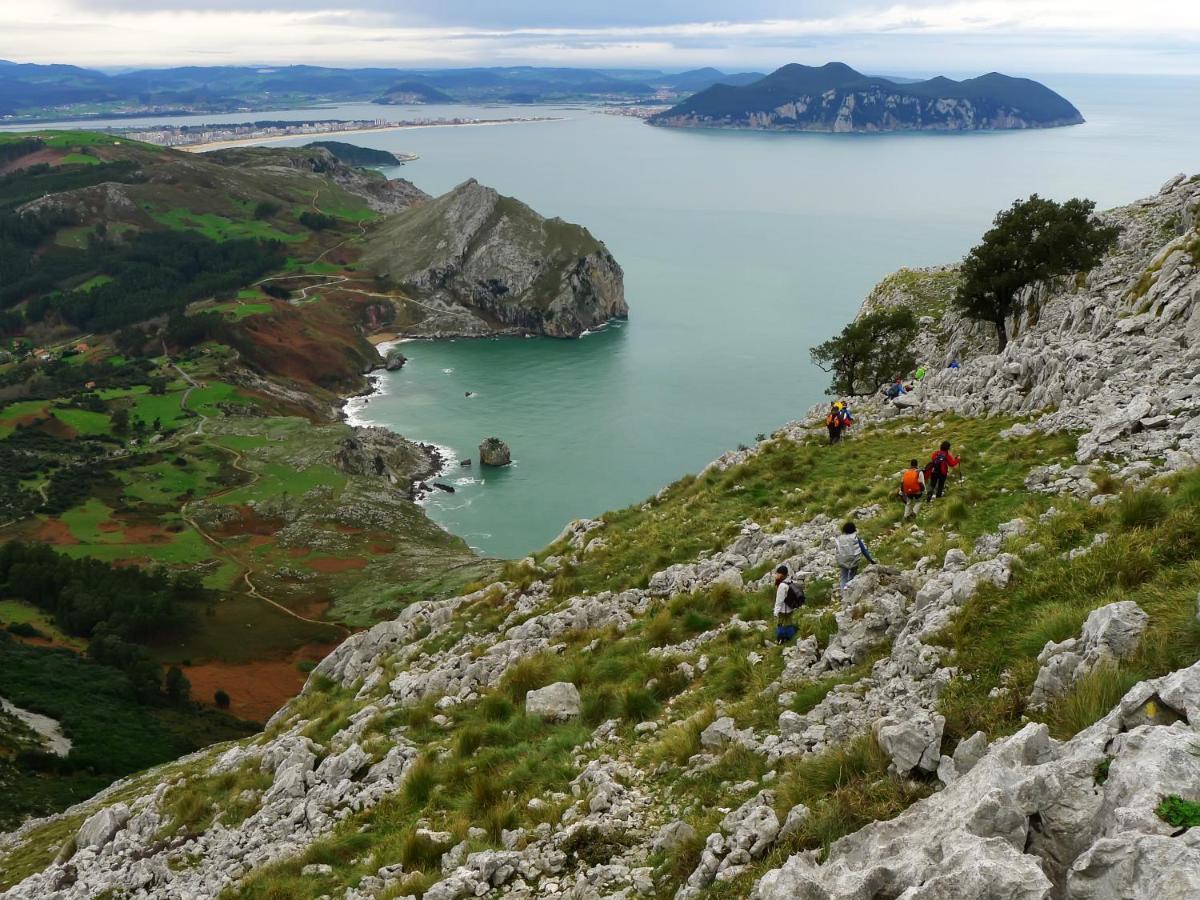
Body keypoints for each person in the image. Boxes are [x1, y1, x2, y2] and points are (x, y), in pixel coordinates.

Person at [834, 522, 876, 594]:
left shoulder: (840, 538)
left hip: (843, 560)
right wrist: (871, 560)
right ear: (853, 529)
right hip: (854, 559)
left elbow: (838, 551)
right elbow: (863, 550)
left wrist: (838, 561)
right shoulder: (855, 537)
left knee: (843, 577)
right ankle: (851, 591)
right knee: (852, 575)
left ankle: (843, 594)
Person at [772, 564, 803, 643]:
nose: (776, 575)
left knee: (781, 623)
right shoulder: (789, 581)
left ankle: (781, 639)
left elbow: (779, 600)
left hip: (783, 609)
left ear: (781, 574)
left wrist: (776, 611)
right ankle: (790, 637)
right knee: (789, 622)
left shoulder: (782, 585)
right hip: (790, 607)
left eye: (777, 574)